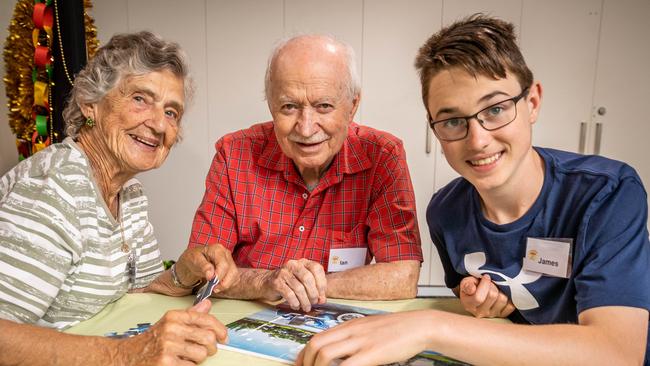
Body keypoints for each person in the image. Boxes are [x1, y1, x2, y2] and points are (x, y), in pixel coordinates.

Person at [297, 14, 650, 366]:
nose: (478, 140)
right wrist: (477, 299)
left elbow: (616, 352)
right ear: (435, 129)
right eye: (453, 121)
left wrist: (431, 326)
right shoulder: (445, 212)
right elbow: (476, 300)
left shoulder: (607, 193)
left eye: (495, 109)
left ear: (532, 104)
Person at [0, 31, 239, 365]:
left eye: (171, 112)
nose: (158, 124)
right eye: (140, 98)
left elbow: (133, 292)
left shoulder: (129, 193)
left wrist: (181, 275)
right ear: (89, 103)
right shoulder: (52, 187)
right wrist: (125, 354)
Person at [188, 34, 423, 312]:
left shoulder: (383, 155)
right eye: (289, 106)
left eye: (324, 106)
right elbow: (200, 270)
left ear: (352, 106)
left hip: (334, 323)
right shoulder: (234, 154)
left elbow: (403, 276)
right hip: (242, 318)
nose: (306, 127)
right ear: (271, 107)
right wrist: (268, 281)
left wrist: (308, 286)